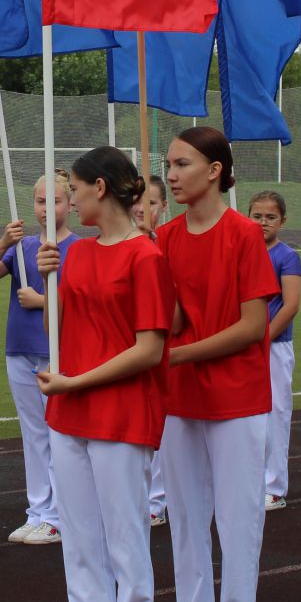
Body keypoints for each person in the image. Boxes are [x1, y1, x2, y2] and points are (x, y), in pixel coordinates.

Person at [35, 147, 173, 602]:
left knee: (124, 544)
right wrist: (48, 280)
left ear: (100, 188)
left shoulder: (146, 257)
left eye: (72, 188)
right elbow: (72, 324)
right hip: (70, 413)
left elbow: (149, 348)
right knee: (81, 543)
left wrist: (76, 381)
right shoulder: (77, 255)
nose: (67, 199)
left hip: (119, 413)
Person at [154, 128, 279, 602]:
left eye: (182, 163)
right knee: (185, 526)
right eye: (168, 164)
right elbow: (173, 319)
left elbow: (253, 326)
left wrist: (177, 353)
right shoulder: (166, 236)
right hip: (182, 398)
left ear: (215, 170)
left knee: (237, 525)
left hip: (236, 398)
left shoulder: (245, 234)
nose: (172, 173)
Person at [0, 171, 76, 545]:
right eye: (41, 201)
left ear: (70, 203)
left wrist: (43, 301)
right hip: (18, 348)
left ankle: (59, 515)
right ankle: (38, 510)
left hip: (55, 350)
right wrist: (5, 240)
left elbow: (84, 300)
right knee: (33, 434)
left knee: (59, 434)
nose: (46, 208)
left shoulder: (79, 249)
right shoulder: (20, 248)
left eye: (54, 200)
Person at [247, 191, 301, 511]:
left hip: (274, 347)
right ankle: (250, 480)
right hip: (245, 346)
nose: (263, 222)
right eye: (257, 216)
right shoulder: (243, 251)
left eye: (270, 217)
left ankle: (274, 485)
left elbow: (290, 304)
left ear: (282, 221)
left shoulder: (286, 256)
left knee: (276, 414)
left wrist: (262, 338)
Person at [143, 175, 172, 527]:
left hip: (168, 348)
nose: (142, 208)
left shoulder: (165, 241)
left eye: (151, 202)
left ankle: (157, 499)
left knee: (167, 429)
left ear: (163, 206)